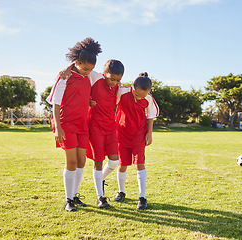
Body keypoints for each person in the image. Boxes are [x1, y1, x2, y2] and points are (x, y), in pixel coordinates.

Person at [46, 37, 102, 212]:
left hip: (82, 124)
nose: (88, 72)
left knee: (81, 161)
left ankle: (75, 196)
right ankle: (68, 200)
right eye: (85, 68)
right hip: (65, 123)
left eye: (91, 69)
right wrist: (58, 128)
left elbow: (105, 76)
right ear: (76, 62)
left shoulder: (89, 75)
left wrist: (89, 101)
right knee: (71, 162)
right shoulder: (64, 77)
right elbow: (55, 103)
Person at [60, 60, 124, 208]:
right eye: (112, 79)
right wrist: (67, 67)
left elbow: (135, 90)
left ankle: (100, 179)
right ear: (104, 74)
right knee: (98, 162)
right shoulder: (96, 78)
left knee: (114, 161)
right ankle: (100, 197)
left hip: (110, 127)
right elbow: (81, 66)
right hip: (94, 127)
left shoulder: (120, 88)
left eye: (118, 80)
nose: (114, 82)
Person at [113, 72, 159, 210]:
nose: (139, 98)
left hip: (139, 134)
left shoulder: (148, 99)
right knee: (122, 164)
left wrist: (149, 133)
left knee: (140, 163)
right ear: (132, 86)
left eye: (143, 96)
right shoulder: (122, 92)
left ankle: (142, 197)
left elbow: (150, 116)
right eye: (137, 94)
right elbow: (108, 98)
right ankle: (121, 192)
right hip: (121, 134)